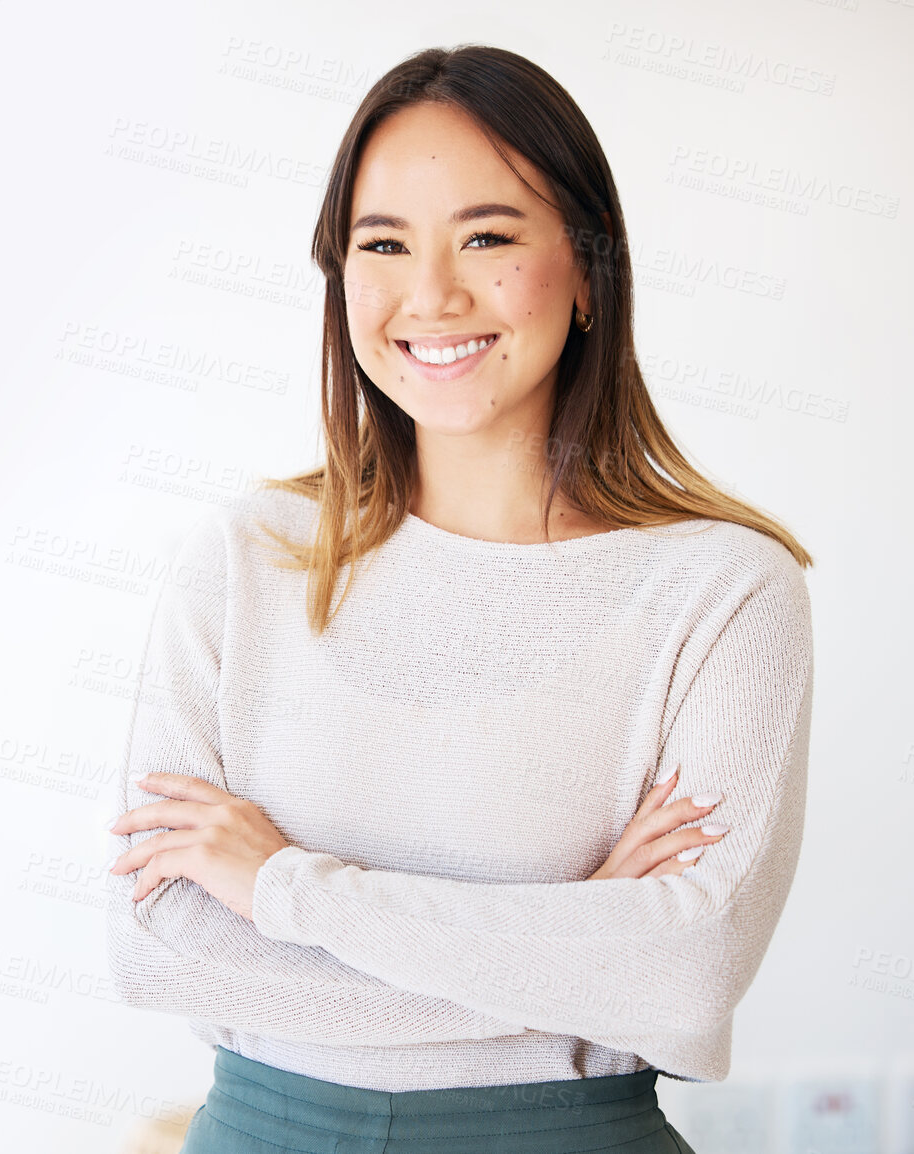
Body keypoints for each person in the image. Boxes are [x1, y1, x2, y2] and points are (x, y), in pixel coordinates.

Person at [102, 44, 814, 1154]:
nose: (431, 294)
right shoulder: (244, 560)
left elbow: (686, 971)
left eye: (486, 236)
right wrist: (572, 953)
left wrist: (285, 886)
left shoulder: (722, 591)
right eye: (382, 244)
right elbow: (162, 946)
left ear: (586, 269)